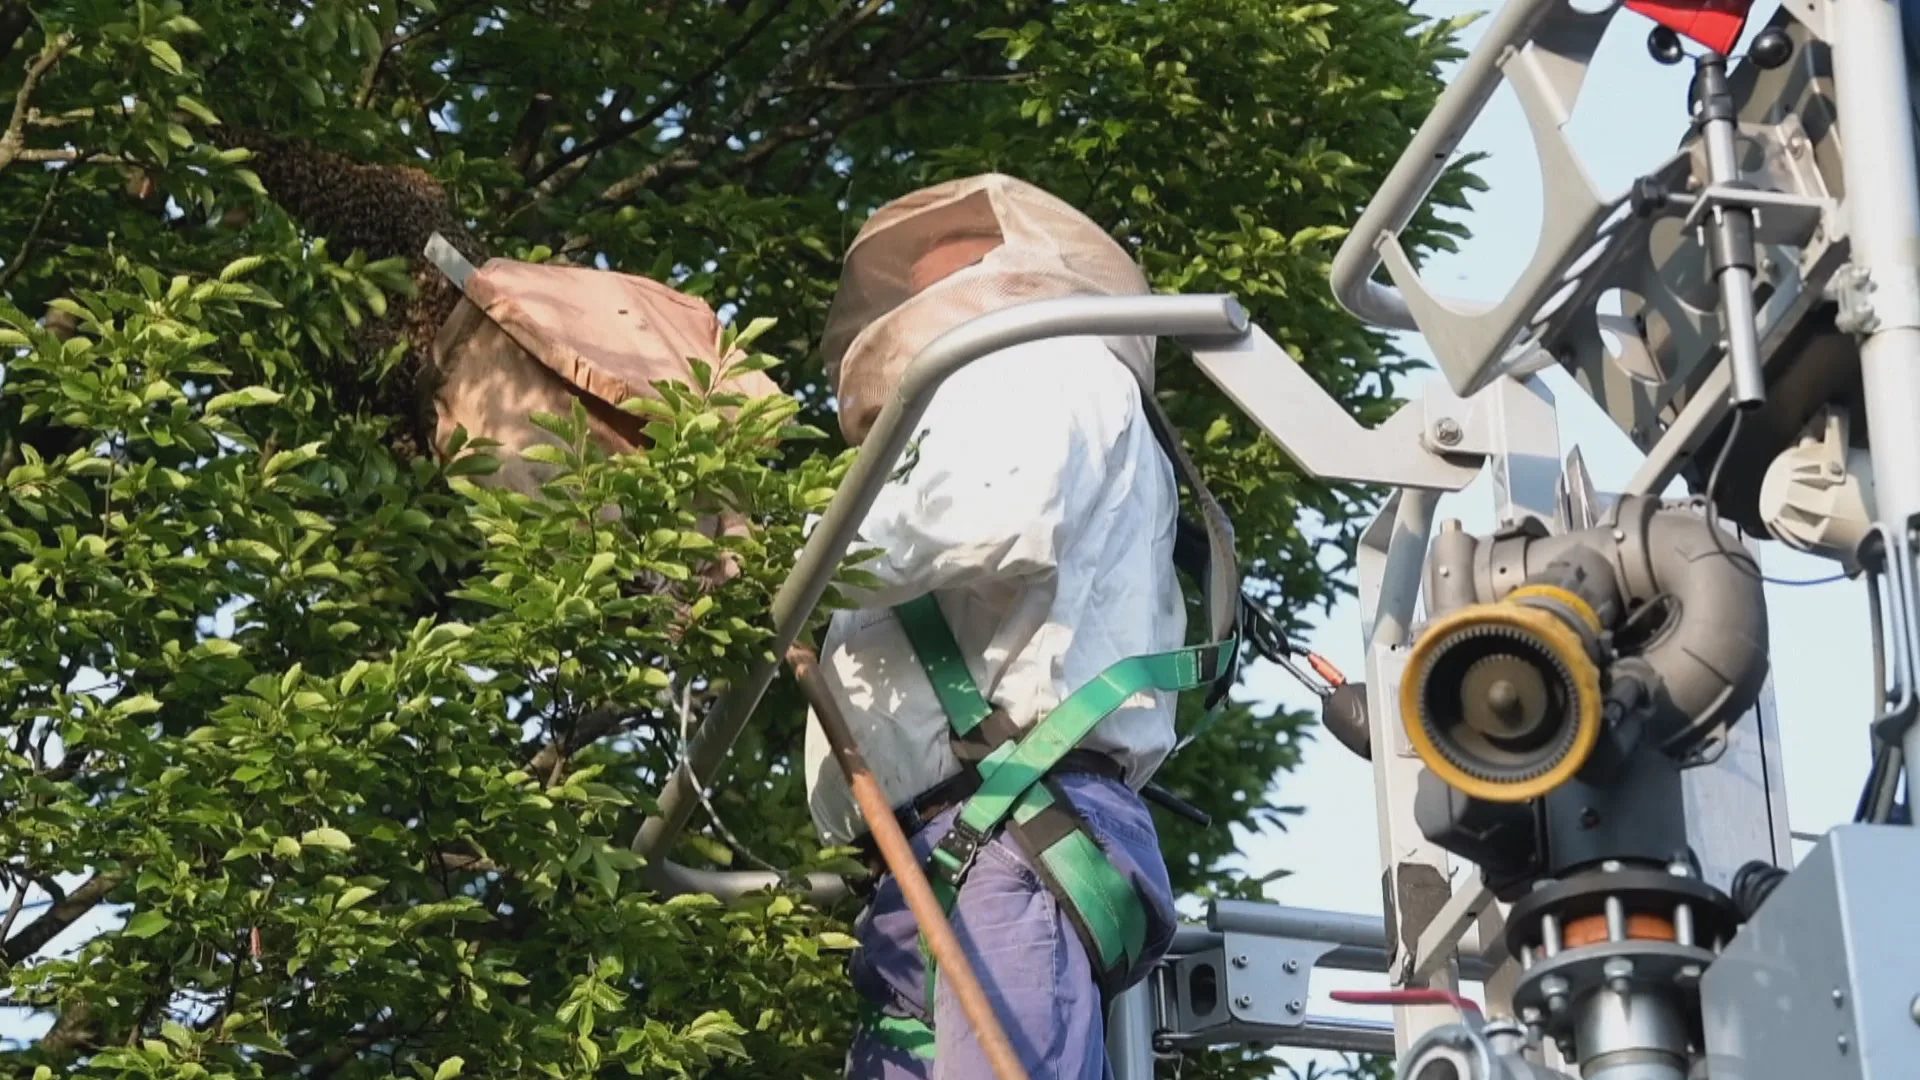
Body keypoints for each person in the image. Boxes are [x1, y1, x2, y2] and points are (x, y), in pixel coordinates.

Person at [804, 174, 1228, 1079]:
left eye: (945, 279)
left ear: (1013, 276)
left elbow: (995, 516)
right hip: (944, 855)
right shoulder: (942, 434)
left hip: (1011, 832)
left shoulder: (1044, 362)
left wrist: (795, 550)